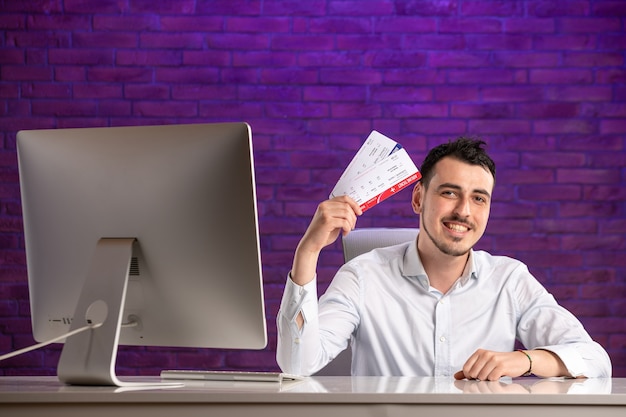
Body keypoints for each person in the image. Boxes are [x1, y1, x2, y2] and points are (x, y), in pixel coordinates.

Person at [276, 137, 612, 380]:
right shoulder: (363, 276)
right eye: (449, 192)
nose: (464, 211)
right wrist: (308, 252)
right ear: (419, 198)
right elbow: (296, 364)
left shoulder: (510, 279)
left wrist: (524, 360)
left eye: (479, 198)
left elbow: (595, 359)